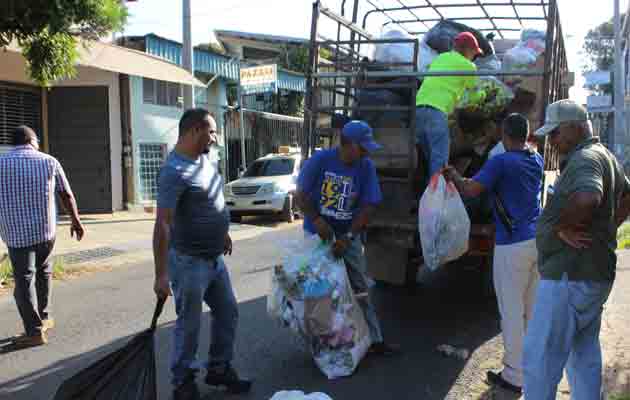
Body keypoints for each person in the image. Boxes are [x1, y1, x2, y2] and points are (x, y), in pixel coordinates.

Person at [522, 100, 630, 400]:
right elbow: (627, 194)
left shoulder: (585, 159)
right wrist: (607, 227)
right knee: (582, 356)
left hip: (569, 277)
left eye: (555, 133)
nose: (551, 141)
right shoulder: (604, 156)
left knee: (540, 360)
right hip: (589, 275)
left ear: (576, 128)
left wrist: (562, 227)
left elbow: (587, 197)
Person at [153, 109, 251, 400]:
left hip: (213, 258)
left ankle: (218, 368)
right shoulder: (173, 170)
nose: (215, 137)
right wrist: (161, 274)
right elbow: (163, 224)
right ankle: (182, 381)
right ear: (194, 130)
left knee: (228, 311)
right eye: (211, 131)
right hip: (188, 262)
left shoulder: (205, 161)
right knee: (189, 323)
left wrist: (222, 231)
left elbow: (211, 199)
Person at [444, 113, 543, 394]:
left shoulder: (500, 161)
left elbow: (472, 190)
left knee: (510, 312)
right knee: (529, 311)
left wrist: (453, 175)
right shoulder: (535, 159)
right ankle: (530, 368)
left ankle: (513, 376)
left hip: (512, 245)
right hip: (535, 242)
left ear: (503, 134)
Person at [295, 120, 399, 357]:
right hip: (317, 236)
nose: (365, 153)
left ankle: (375, 340)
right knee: (318, 291)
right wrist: (318, 220)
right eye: (362, 148)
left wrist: (349, 236)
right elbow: (300, 195)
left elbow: (370, 205)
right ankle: (321, 342)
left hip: (347, 235)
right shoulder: (321, 161)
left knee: (360, 288)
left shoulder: (366, 167)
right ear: (347, 144)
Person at [0, 125, 85, 347]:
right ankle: (44, 318)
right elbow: (66, 194)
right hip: (45, 233)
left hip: (16, 234)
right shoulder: (49, 161)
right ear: (32, 140)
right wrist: (76, 220)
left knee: (24, 280)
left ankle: (34, 330)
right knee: (44, 272)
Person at [415, 32, 489, 184]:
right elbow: (474, 95)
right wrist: (484, 94)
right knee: (439, 163)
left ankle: (423, 197)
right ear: (468, 50)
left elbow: (445, 85)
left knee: (425, 158)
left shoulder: (441, 58)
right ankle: (437, 201)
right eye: (474, 53)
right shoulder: (468, 66)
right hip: (437, 112)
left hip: (418, 111)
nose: (474, 57)